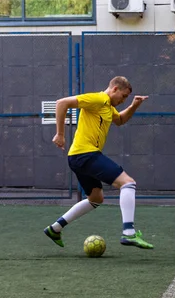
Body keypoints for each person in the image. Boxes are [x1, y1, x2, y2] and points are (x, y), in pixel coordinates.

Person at [44, 76, 153, 249]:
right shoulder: (99, 99)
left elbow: (120, 120)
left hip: (78, 157)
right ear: (115, 89)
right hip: (85, 154)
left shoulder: (108, 107)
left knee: (96, 198)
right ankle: (129, 233)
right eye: (123, 96)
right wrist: (60, 134)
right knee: (128, 183)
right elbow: (61, 103)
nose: (123, 100)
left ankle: (55, 229)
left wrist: (133, 106)